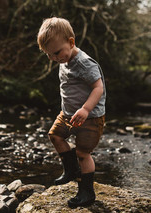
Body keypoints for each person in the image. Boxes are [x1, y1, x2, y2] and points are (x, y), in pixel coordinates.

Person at [37, 17, 106, 208]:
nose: (54, 58)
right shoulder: (62, 59)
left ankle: (87, 191)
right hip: (68, 114)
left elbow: (98, 88)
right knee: (55, 135)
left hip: (90, 116)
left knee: (83, 153)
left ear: (71, 42)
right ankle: (71, 170)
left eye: (57, 52)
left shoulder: (84, 63)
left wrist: (85, 109)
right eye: (49, 55)